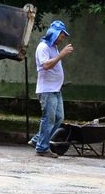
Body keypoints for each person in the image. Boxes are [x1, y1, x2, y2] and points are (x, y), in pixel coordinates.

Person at [30, 21, 74, 158]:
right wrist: (62, 54)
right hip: (47, 90)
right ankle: (42, 148)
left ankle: (38, 139)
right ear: (55, 33)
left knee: (59, 118)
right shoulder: (43, 47)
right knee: (48, 119)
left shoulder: (53, 47)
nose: (63, 38)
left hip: (56, 89)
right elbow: (46, 66)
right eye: (61, 35)